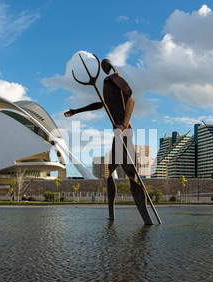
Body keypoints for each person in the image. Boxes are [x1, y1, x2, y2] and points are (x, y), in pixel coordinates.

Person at [65, 58, 153, 225]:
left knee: (131, 173)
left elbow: (131, 100)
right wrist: (77, 111)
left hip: (124, 132)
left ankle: (147, 218)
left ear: (108, 66)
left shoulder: (115, 78)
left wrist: (123, 124)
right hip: (118, 133)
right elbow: (102, 104)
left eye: (105, 66)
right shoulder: (106, 83)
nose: (105, 69)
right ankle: (111, 215)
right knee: (110, 173)